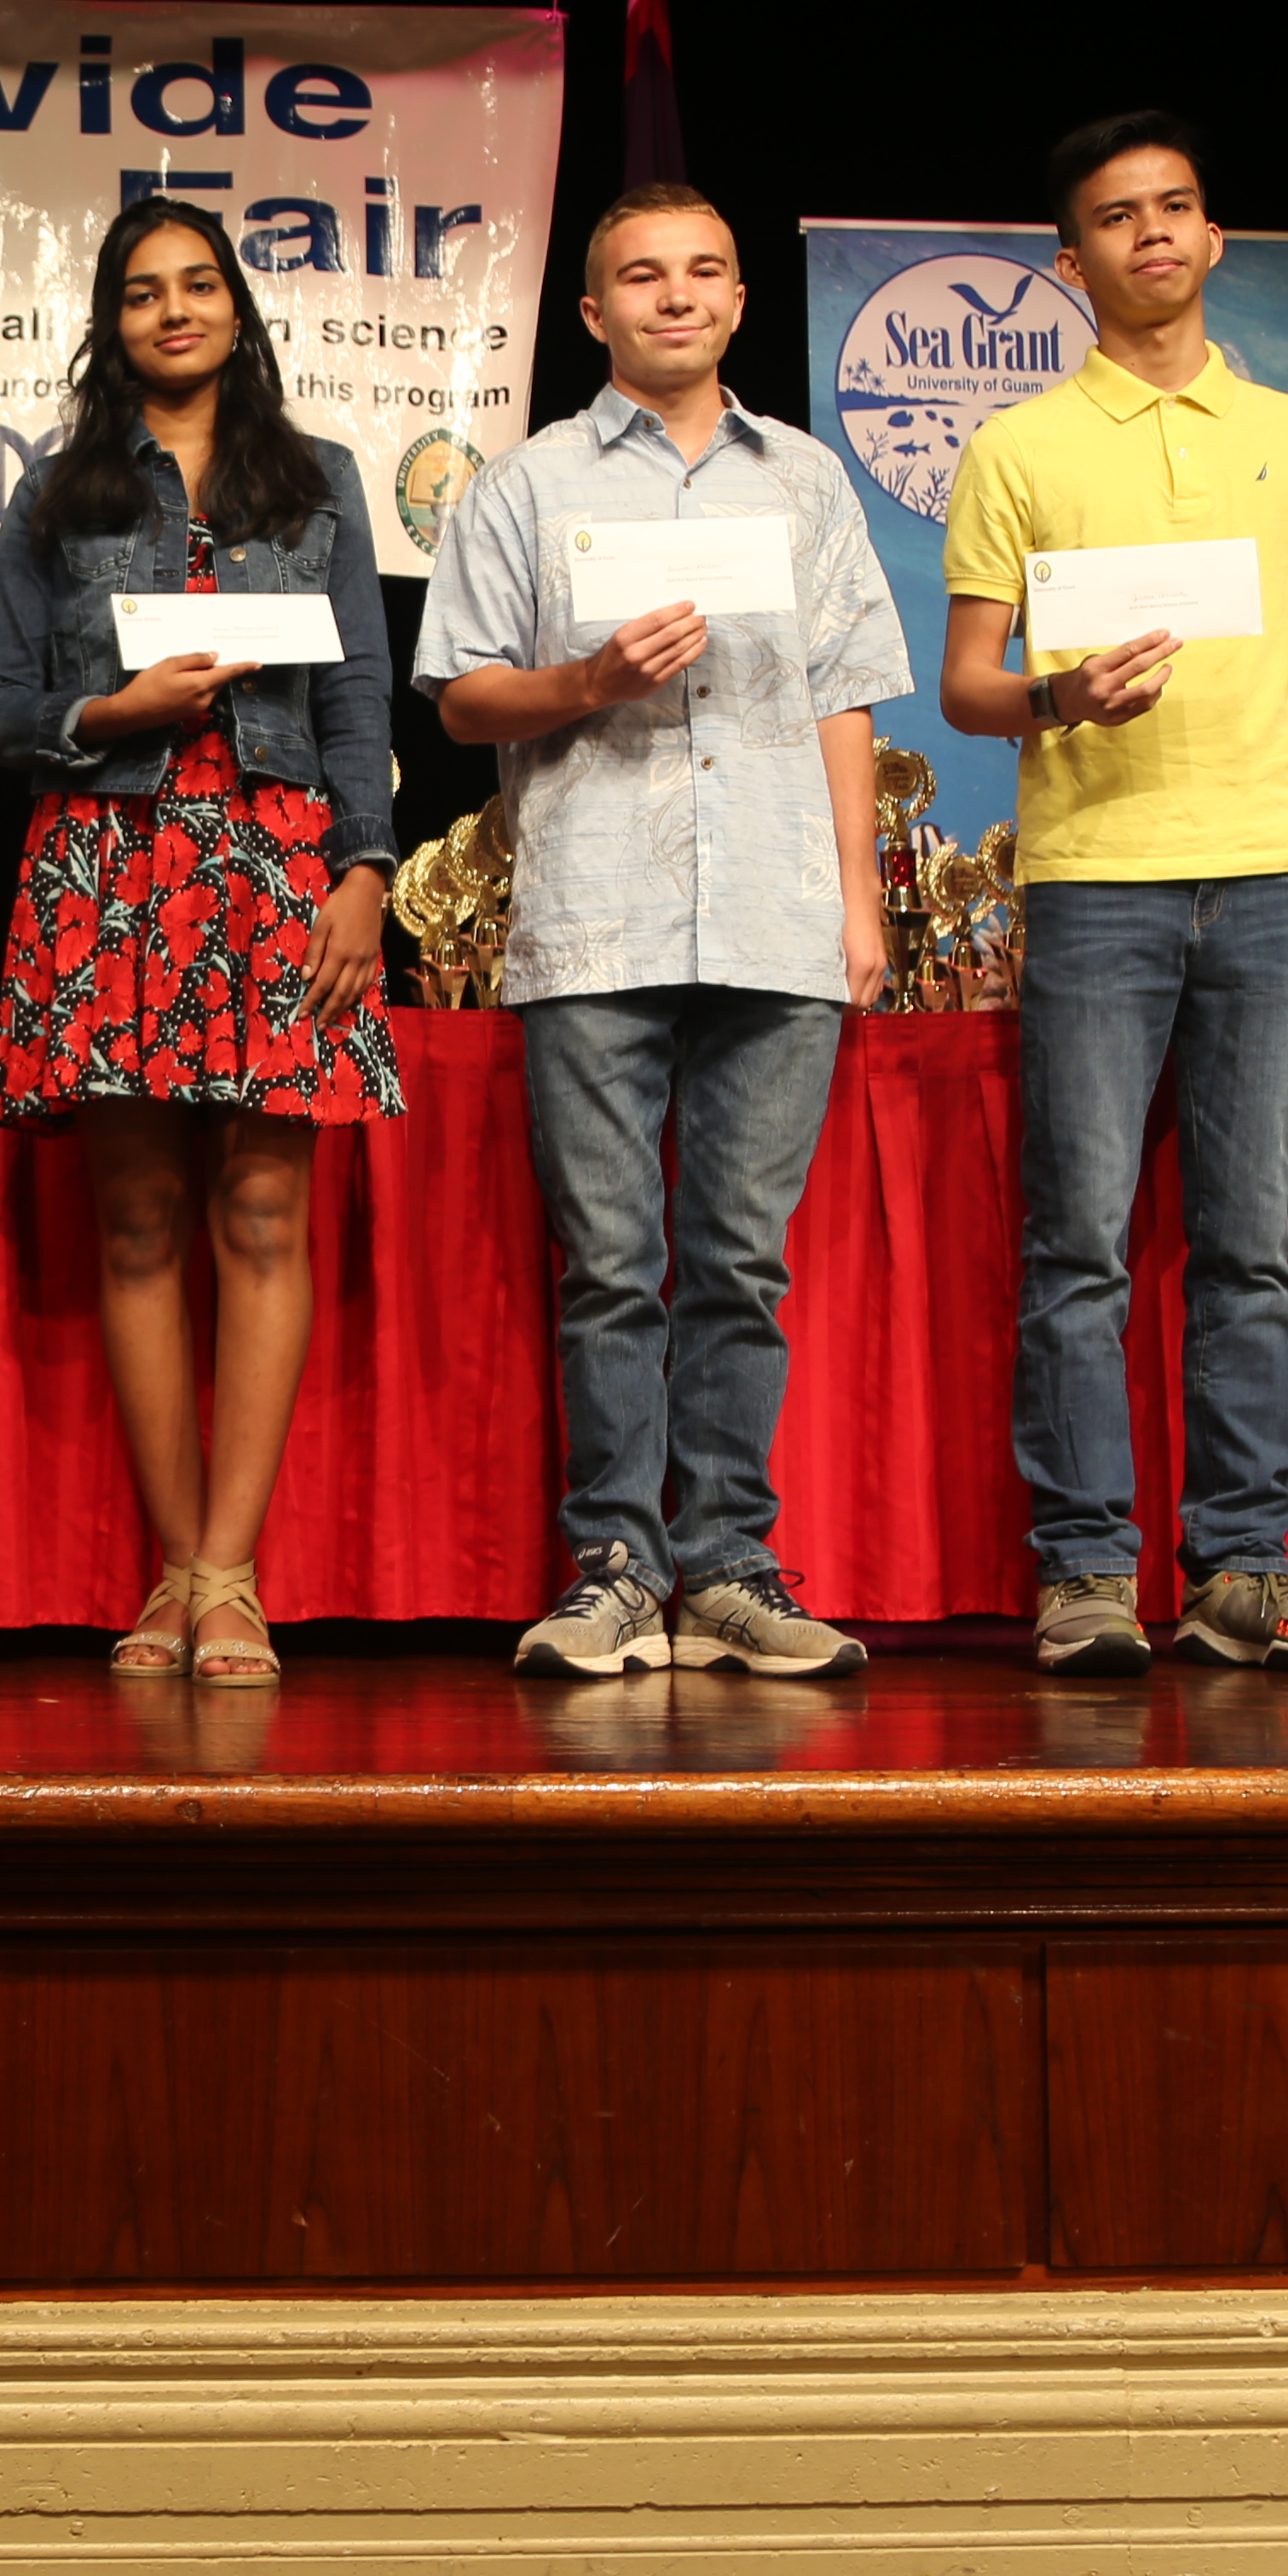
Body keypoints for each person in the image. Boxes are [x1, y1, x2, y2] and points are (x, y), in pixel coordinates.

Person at [412, 185, 910, 1681]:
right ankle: (617, 1565)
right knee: (612, 1262)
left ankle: (734, 1563)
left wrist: (861, 892)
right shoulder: (527, 482)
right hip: (597, 913)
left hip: (776, 910)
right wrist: (588, 679)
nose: (673, 295)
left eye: (701, 271)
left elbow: (844, 694)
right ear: (592, 312)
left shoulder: (808, 483)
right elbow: (458, 693)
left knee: (740, 1261)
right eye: (640, 274)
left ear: (740, 299)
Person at [935, 113, 1288, 1676]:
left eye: (1175, 208)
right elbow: (967, 686)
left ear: (1210, 238)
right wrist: (1059, 699)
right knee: (1076, 1242)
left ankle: (1241, 1570)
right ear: (1069, 265)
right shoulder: (1016, 447)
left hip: (1268, 882)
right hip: (1093, 886)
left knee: (1251, 1239)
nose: (1150, 235)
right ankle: (1081, 1570)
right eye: (1116, 218)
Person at [0, 197, 407, 1687]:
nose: (172, 310)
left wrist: (365, 869)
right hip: (110, 857)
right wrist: (110, 716)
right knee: (140, 1223)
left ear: (234, 306)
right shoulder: (58, 496)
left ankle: (232, 1577)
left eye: (197, 284)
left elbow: (356, 704)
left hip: (282, 864)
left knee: (266, 1217)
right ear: (110, 320)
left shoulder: (320, 481)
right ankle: (175, 1571)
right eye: (141, 291)